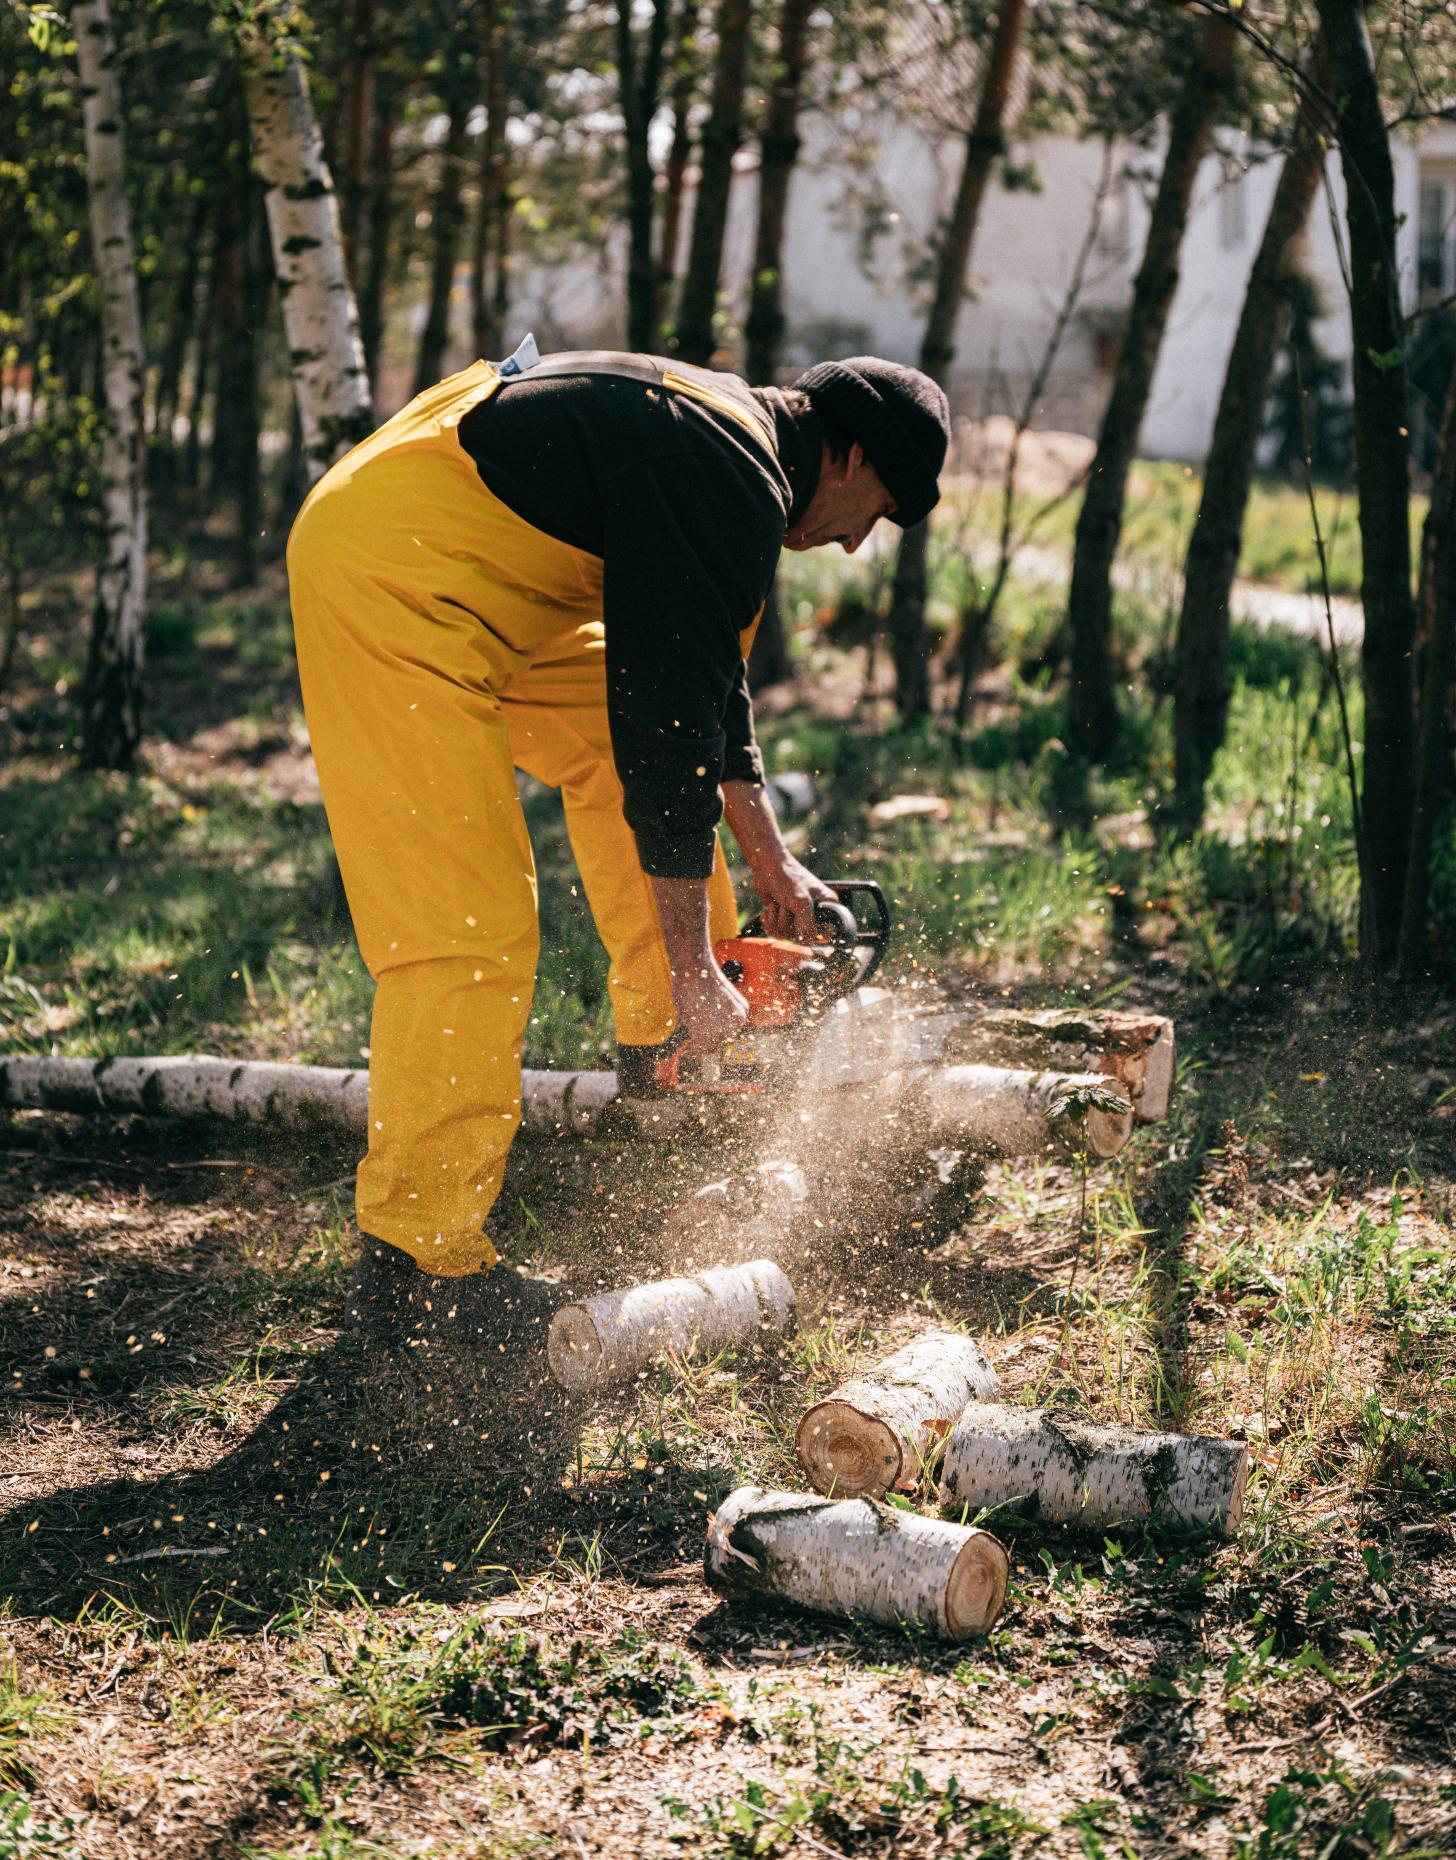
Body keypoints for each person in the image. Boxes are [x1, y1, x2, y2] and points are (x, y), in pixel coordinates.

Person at [286, 344, 950, 1380]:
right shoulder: (731, 470)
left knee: (614, 740)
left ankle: (671, 1052)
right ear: (851, 454)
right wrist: (693, 958)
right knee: (469, 934)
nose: (859, 543)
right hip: (395, 576)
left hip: (477, 563)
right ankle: (417, 1260)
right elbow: (663, 735)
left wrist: (773, 865)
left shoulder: (736, 448)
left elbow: (706, 682)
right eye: (879, 509)